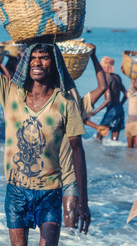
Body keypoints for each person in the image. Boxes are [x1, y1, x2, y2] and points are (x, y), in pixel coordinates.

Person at [0, 1, 90, 246]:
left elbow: (77, 151)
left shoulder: (64, 104)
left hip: (49, 192)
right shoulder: (10, 93)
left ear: (53, 63)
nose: (37, 61)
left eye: (44, 57)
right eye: (33, 56)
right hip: (16, 192)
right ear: (26, 62)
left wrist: (82, 200)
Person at [60, 44, 107, 229]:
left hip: (70, 173)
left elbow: (103, 86)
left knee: (70, 221)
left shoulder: (78, 105)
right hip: (48, 173)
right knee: (48, 225)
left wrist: (94, 57)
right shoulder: (50, 102)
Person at [87, 56, 128, 142]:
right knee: (115, 138)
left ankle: (101, 154)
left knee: (99, 136)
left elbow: (108, 100)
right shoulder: (117, 77)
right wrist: (120, 105)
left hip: (112, 110)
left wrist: (94, 112)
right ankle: (114, 155)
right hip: (119, 109)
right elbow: (126, 94)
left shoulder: (106, 79)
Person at [123, 76, 137, 148]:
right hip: (129, 122)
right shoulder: (131, 93)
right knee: (129, 148)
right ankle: (129, 159)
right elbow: (133, 84)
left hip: (136, 122)